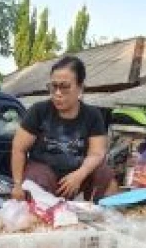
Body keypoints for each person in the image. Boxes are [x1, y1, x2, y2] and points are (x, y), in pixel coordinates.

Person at [11, 56, 119, 202]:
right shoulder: (38, 111)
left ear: (80, 88)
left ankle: (106, 217)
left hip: (78, 174)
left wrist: (80, 174)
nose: (58, 93)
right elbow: (19, 149)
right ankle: (41, 218)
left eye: (64, 86)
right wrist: (17, 184)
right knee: (36, 180)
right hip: (44, 172)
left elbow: (97, 153)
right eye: (53, 86)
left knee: (105, 175)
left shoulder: (93, 115)